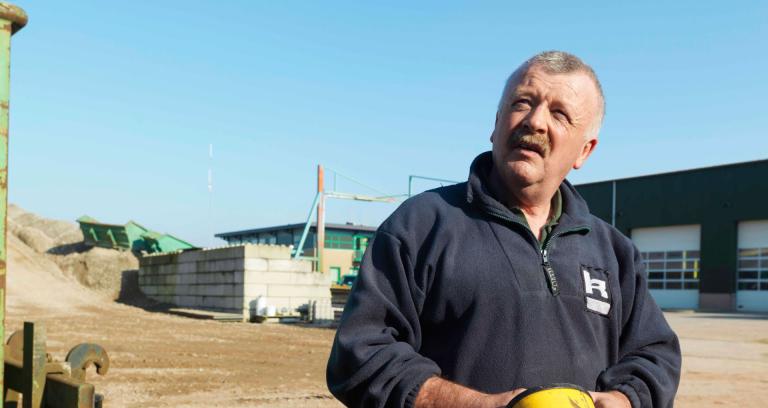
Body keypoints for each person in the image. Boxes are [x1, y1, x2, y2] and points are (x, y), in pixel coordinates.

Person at [326, 51, 681, 408]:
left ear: (584, 151)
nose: (535, 122)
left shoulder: (613, 252)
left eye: (559, 114)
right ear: (496, 124)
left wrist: (624, 399)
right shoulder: (421, 225)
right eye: (522, 103)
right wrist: (480, 405)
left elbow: (654, 352)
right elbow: (360, 355)